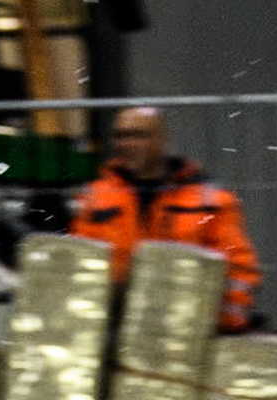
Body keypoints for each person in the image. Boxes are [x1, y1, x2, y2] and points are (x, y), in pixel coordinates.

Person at [68, 105, 263, 333]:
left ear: (160, 140)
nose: (126, 144)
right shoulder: (94, 199)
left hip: (187, 331)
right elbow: (78, 264)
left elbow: (239, 268)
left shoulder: (210, 200)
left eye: (138, 135)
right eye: (121, 136)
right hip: (113, 331)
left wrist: (222, 325)